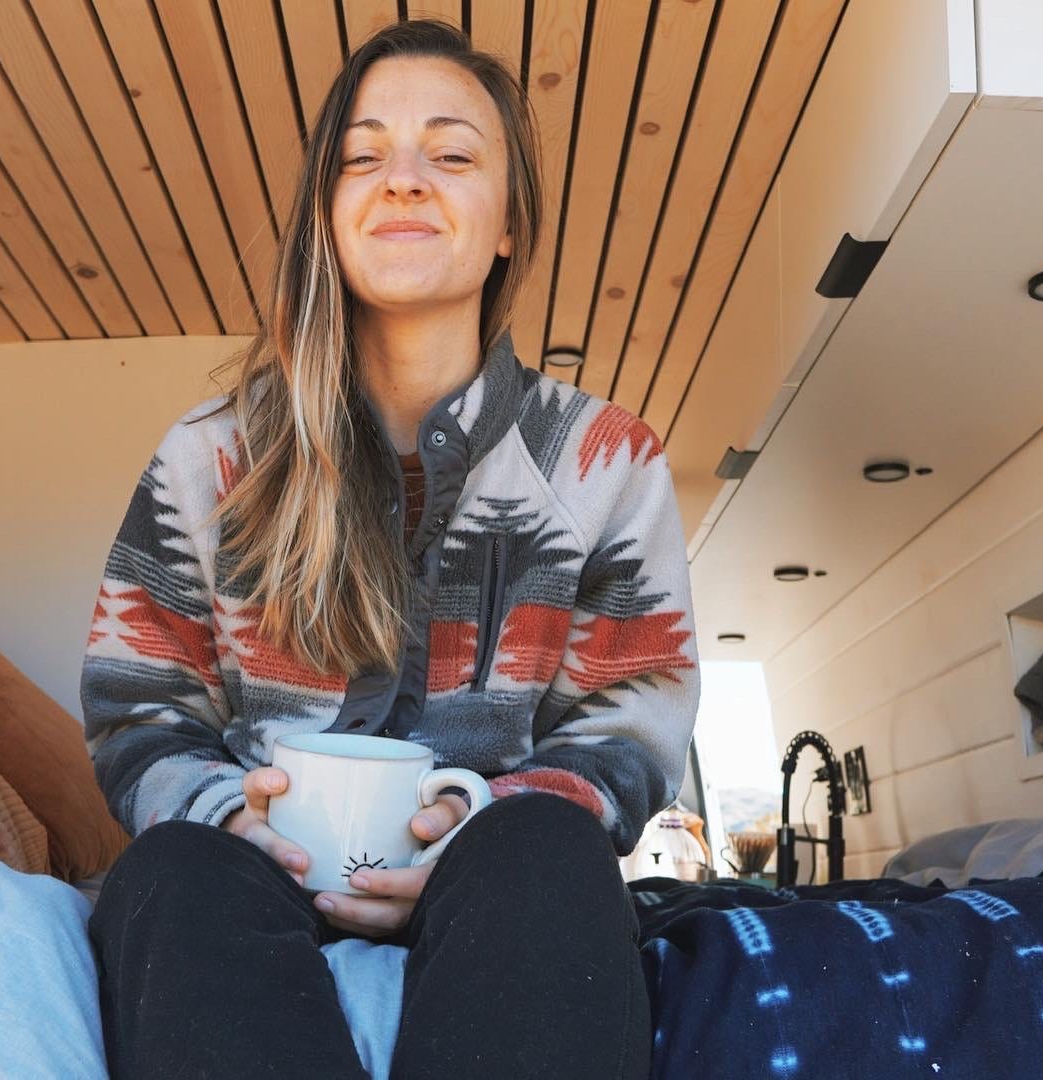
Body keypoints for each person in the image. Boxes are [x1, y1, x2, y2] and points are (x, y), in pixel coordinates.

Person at [81, 18, 699, 1079]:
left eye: (452, 155)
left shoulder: (609, 458)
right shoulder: (205, 458)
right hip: (252, 873)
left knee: (549, 854)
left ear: (508, 224)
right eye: (363, 157)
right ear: (330, 211)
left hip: (499, 876)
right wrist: (228, 811)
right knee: (166, 871)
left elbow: (631, 723)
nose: (403, 180)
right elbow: (141, 707)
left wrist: (479, 815)